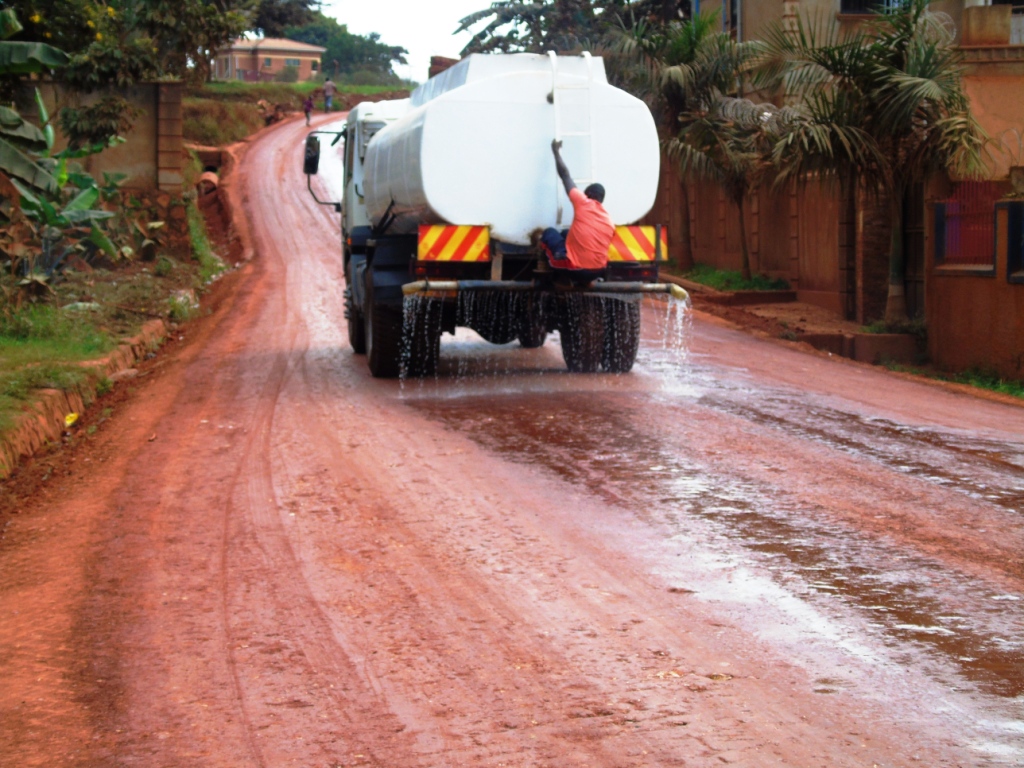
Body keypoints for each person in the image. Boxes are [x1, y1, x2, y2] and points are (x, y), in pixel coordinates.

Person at [540, 139, 615, 285]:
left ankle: (558, 277)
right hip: (598, 270)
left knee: (549, 233)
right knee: (565, 233)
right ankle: (584, 281)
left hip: (577, 270)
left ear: (589, 194)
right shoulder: (609, 220)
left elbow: (565, 175)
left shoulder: (583, 202)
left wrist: (555, 152)